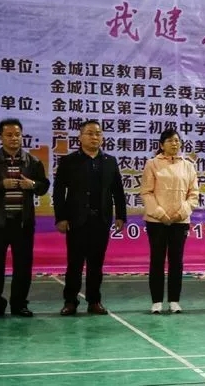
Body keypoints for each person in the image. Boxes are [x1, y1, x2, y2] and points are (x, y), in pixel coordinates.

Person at [0, 118, 50, 318]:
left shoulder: (32, 162)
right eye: (9, 135)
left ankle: (19, 304)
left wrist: (32, 184)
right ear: (0, 137)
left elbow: (43, 186)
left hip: (22, 223)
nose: (14, 138)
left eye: (17, 134)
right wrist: (2, 185)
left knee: (23, 267)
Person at [53, 120, 126, 316]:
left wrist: (121, 216)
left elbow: (118, 191)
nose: (95, 137)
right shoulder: (69, 161)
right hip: (76, 221)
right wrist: (61, 217)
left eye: (98, 134)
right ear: (80, 137)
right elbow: (59, 192)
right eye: (90, 133)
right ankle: (70, 301)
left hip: (101, 220)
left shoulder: (110, 161)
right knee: (74, 264)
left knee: (96, 264)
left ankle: (94, 301)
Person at [140, 128, 199, 314]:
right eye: (170, 141)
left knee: (176, 261)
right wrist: (161, 214)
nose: (175, 144)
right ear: (161, 145)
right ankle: (156, 301)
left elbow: (194, 194)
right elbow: (146, 192)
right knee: (157, 260)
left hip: (179, 221)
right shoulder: (152, 164)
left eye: (177, 140)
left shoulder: (188, 166)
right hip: (156, 221)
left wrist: (180, 213)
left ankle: (174, 301)